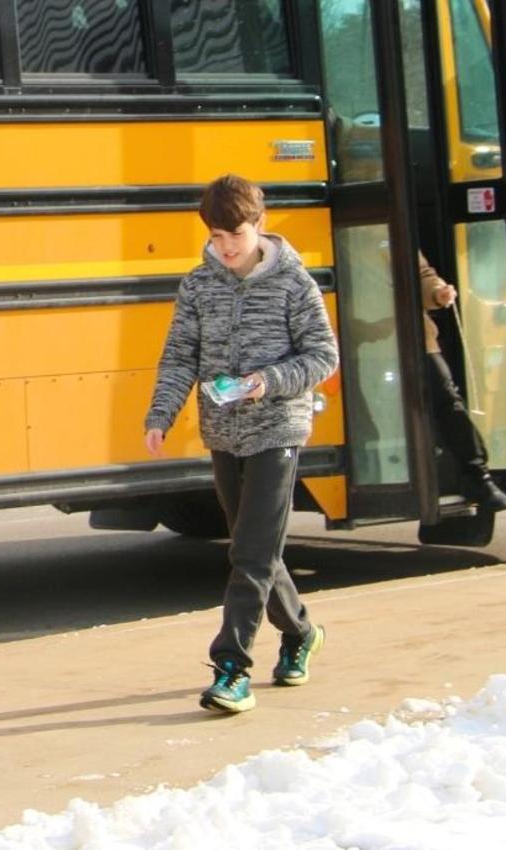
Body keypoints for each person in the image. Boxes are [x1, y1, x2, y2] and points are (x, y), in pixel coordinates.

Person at [144, 174, 340, 714]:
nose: (226, 246)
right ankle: (301, 633)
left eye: (235, 234)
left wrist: (265, 382)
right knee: (252, 550)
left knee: (251, 555)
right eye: (215, 235)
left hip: (277, 429)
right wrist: (161, 412)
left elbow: (324, 356)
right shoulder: (199, 284)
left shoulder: (292, 283)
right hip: (223, 432)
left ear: (260, 224)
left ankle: (232, 669)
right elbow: (180, 354)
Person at [417, 253, 506, 512]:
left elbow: (422, 275)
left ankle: (478, 478)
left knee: (449, 403)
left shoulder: (391, 235)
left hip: (414, 338)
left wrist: (438, 292)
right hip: (365, 340)